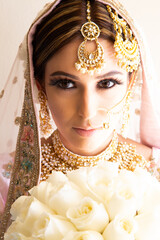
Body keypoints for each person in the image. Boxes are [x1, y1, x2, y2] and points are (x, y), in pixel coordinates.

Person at [0, 0, 160, 237]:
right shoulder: (6, 179)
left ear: (130, 83)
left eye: (106, 83)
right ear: (40, 86)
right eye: (66, 83)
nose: (87, 111)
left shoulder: (155, 171)